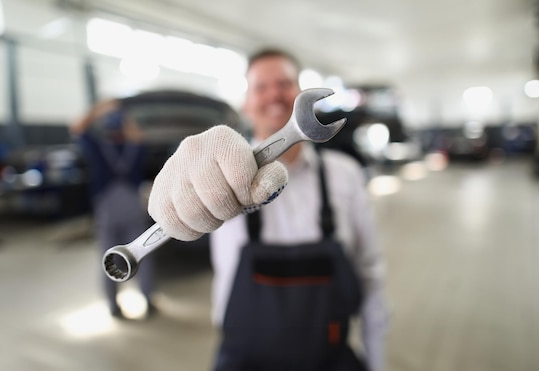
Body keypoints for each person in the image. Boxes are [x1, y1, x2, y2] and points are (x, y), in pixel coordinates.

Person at [148, 48, 389, 370]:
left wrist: (376, 361)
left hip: (329, 356)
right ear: (246, 106)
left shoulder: (343, 174)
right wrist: (178, 183)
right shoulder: (221, 176)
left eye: (284, 83)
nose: (274, 94)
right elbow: (188, 182)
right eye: (261, 87)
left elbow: (370, 272)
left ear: (301, 94)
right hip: (245, 356)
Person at [71, 99, 156, 319]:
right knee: (142, 253)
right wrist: (126, 116)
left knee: (108, 258)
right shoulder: (133, 147)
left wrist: (99, 109)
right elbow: (137, 136)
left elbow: (78, 128)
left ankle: (113, 305)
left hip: (107, 208)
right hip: (132, 207)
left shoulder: (98, 146)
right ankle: (147, 299)